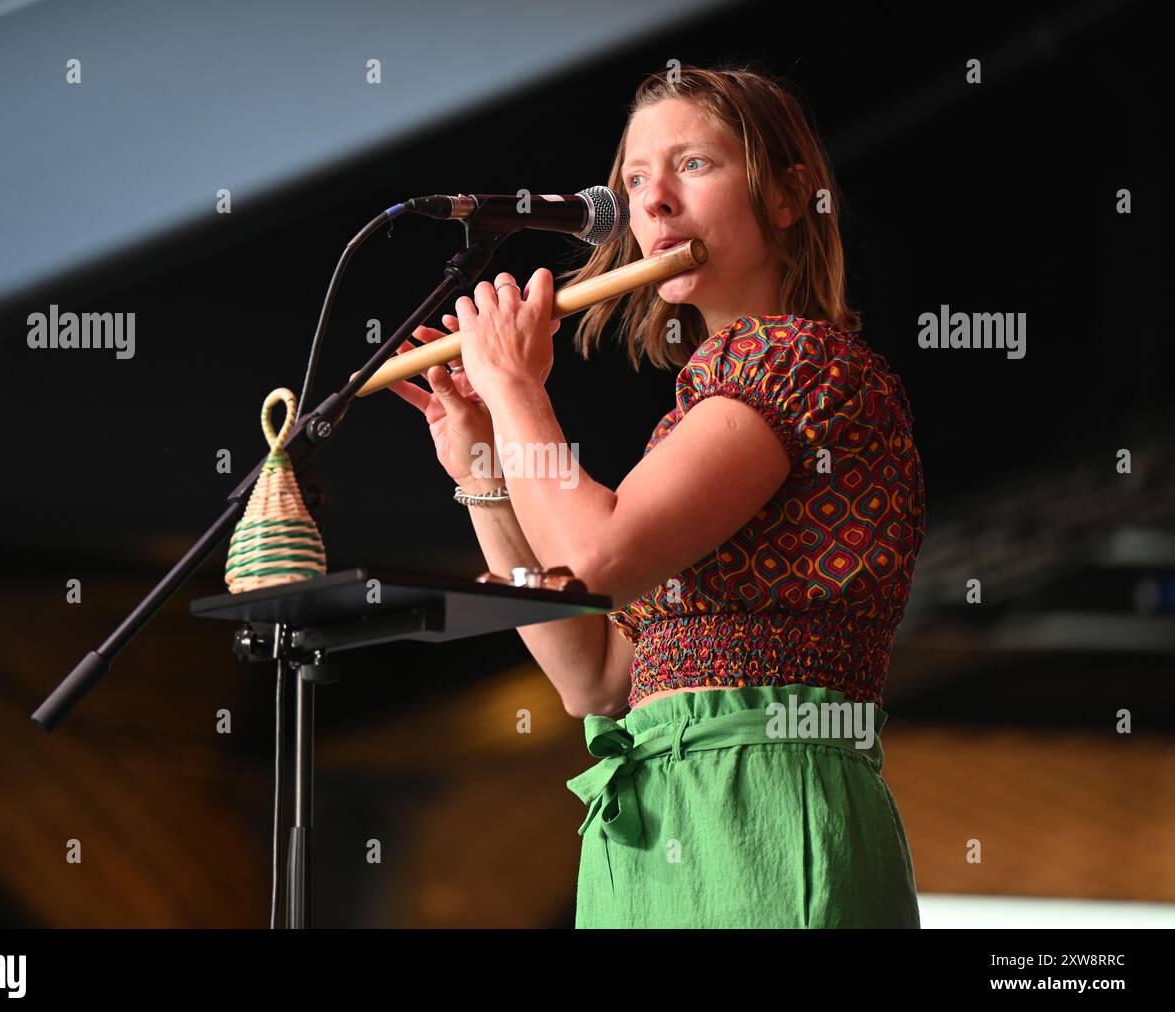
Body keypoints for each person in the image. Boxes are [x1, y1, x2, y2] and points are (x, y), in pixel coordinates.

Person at [382, 63, 925, 928]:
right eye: (635, 181)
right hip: (658, 822)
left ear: (789, 198)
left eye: (693, 166)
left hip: (768, 816)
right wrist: (483, 474)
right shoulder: (700, 410)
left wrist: (519, 390)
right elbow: (591, 678)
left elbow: (594, 557)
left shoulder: (797, 366)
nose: (653, 204)